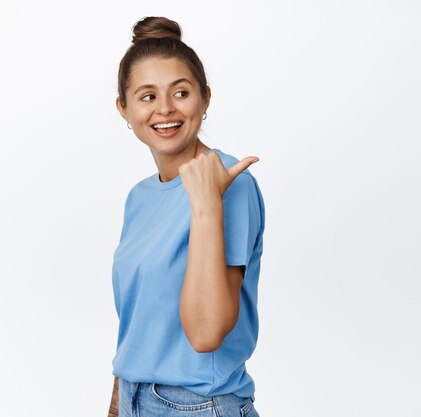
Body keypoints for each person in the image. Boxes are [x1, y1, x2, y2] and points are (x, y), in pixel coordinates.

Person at [107, 16, 265, 417]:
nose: (165, 109)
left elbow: (206, 332)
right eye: (147, 96)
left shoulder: (231, 184)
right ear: (123, 108)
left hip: (198, 406)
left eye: (181, 92)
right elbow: (138, 321)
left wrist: (207, 203)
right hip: (133, 399)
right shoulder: (138, 198)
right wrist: (116, 403)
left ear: (205, 98)